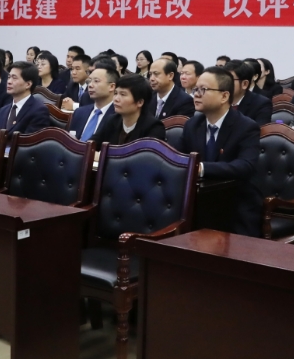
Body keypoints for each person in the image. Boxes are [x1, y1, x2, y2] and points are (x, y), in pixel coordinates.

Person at [175, 67, 263, 236]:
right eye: (195, 89)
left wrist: (201, 168)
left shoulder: (246, 127)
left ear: (224, 96)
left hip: (234, 203)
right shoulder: (193, 124)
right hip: (198, 200)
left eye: (203, 89)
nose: (196, 94)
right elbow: (178, 157)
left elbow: (245, 165)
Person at [96, 74, 167, 144]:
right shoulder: (111, 121)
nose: (116, 99)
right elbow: (92, 144)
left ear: (140, 102)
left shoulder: (153, 127)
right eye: (115, 93)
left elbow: (148, 151)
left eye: (123, 94)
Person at [0, 61, 51, 135]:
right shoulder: (2, 111)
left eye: (14, 78)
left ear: (28, 84)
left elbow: (31, 141)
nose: (9, 81)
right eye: (9, 77)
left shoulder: (39, 111)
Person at [69, 65, 119, 142]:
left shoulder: (118, 116)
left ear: (111, 86)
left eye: (96, 81)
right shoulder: (79, 112)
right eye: (89, 81)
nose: (90, 85)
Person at [226, 60, 273, 125]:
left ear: (245, 84)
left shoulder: (261, 104)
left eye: (229, 80)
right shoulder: (217, 101)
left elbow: (259, 129)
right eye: (222, 80)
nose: (224, 84)